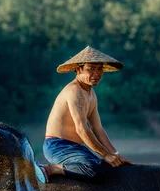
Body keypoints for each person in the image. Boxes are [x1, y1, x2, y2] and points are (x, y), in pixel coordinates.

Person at [35, 46, 132, 183]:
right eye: (91, 69)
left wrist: (114, 154)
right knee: (93, 168)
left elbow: (97, 128)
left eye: (99, 69)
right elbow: (81, 129)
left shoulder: (91, 95)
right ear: (79, 69)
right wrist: (104, 154)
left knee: (106, 167)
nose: (96, 73)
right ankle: (50, 169)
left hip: (76, 148)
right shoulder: (74, 91)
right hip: (58, 146)